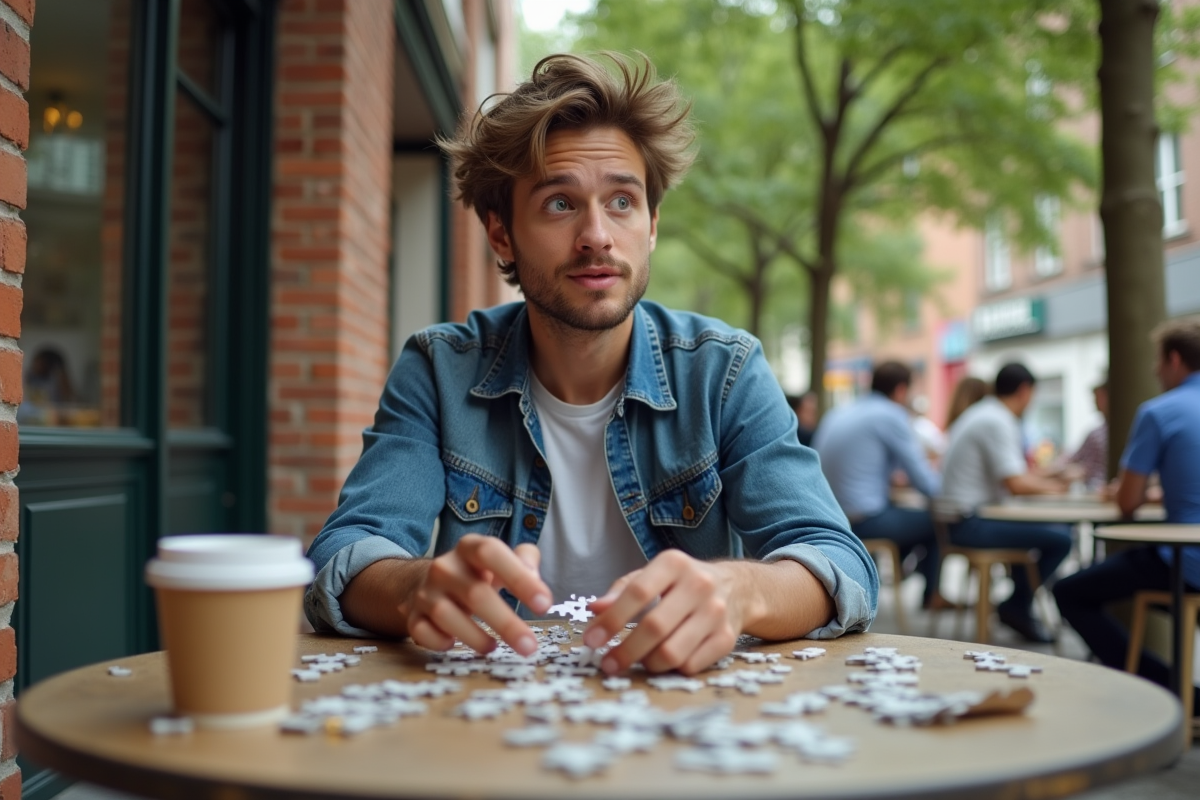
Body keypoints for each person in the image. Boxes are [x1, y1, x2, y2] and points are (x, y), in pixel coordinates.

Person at [303, 53, 877, 676]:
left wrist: (742, 592)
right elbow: (344, 555)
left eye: (623, 201)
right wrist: (417, 586)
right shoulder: (439, 370)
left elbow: (839, 562)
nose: (597, 235)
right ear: (501, 234)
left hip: (686, 707)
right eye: (559, 203)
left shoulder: (724, 371)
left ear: (652, 225)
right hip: (485, 710)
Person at [1054, 318, 1200, 695]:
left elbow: (1127, 503)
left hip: (1187, 563)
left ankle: (1171, 690)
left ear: (1174, 359)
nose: (1154, 370)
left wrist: (1132, 492)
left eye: (1157, 361)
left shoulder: (1159, 411)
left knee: (1069, 593)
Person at [938, 363, 1072, 643]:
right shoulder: (997, 420)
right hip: (969, 523)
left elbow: (1015, 474)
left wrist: (1052, 477)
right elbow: (1017, 484)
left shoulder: (985, 413)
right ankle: (1016, 606)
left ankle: (1018, 606)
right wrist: (1059, 490)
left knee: (1045, 533)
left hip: (959, 519)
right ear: (1024, 390)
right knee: (1061, 538)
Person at [813, 361, 951, 610]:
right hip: (863, 520)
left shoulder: (842, 411)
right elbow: (925, 482)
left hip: (830, 515)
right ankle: (931, 594)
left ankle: (903, 567)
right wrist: (953, 493)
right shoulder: (891, 415)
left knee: (908, 518)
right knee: (937, 521)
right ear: (900, 390)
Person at [1065, 374, 1108, 491]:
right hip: (1093, 490)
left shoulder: (1099, 435)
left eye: (1098, 397)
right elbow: (1073, 458)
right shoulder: (1095, 434)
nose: (1094, 402)